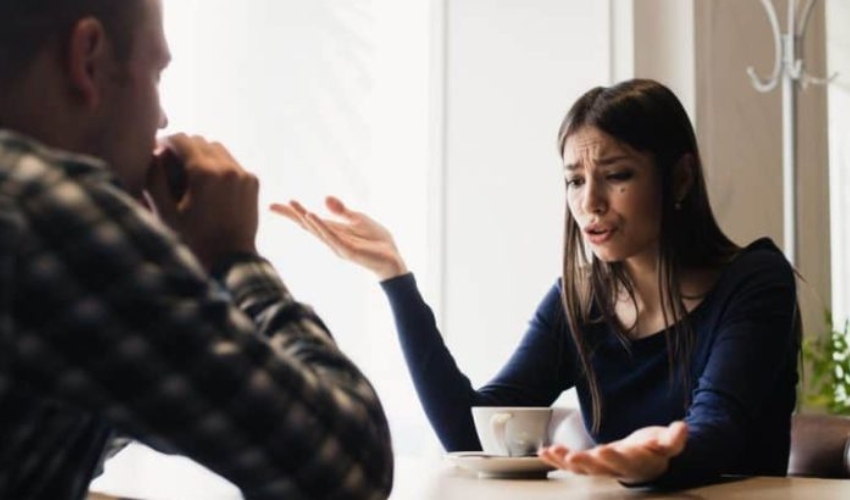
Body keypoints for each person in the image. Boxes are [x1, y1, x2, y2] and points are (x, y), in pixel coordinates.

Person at [272, 79, 801, 489]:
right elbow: (471, 431)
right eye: (574, 179)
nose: (589, 202)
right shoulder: (579, 301)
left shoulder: (754, 282)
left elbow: (717, 430)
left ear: (680, 179)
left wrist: (653, 459)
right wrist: (395, 279)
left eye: (617, 175)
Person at [0, 0, 393, 499]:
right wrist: (231, 258)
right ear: (89, 57)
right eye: (157, 73)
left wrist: (152, 277)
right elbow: (350, 472)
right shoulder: (46, 209)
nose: (162, 116)